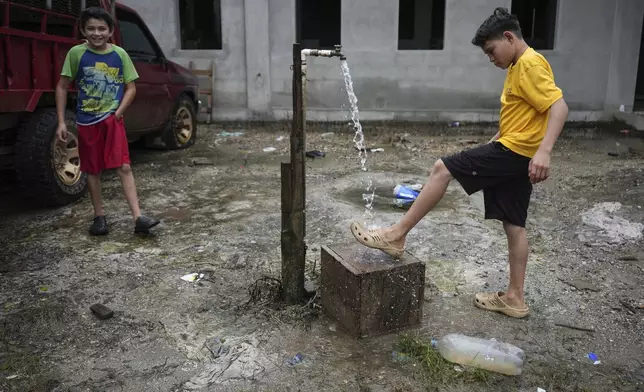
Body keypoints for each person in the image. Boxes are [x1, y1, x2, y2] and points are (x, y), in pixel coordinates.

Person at [350, 7, 568, 319]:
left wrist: (544, 152)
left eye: (491, 51)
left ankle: (396, 235)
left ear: (509, 37)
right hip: (515, 149)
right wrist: (501, 136)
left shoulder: (530, 64)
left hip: (516, 152)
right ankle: (515, 298)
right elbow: (530, 113)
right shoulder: (522, 64)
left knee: (442, 168)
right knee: (514, 224)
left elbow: (559, 107)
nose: (490, 58)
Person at [55, 7, 159, 236]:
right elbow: (62, 86)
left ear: (111, 31)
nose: (96, 33)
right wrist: (62, 122)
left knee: (124, 166)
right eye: (91, 28)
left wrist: (118, 113)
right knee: (93, 170)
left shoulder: (120, 54)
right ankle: (99, 217)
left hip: (112, 120)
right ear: (82, 30)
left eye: (102, 28)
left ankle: (138, 218)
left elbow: (131, 88)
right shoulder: (76, 54)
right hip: (86, 122)